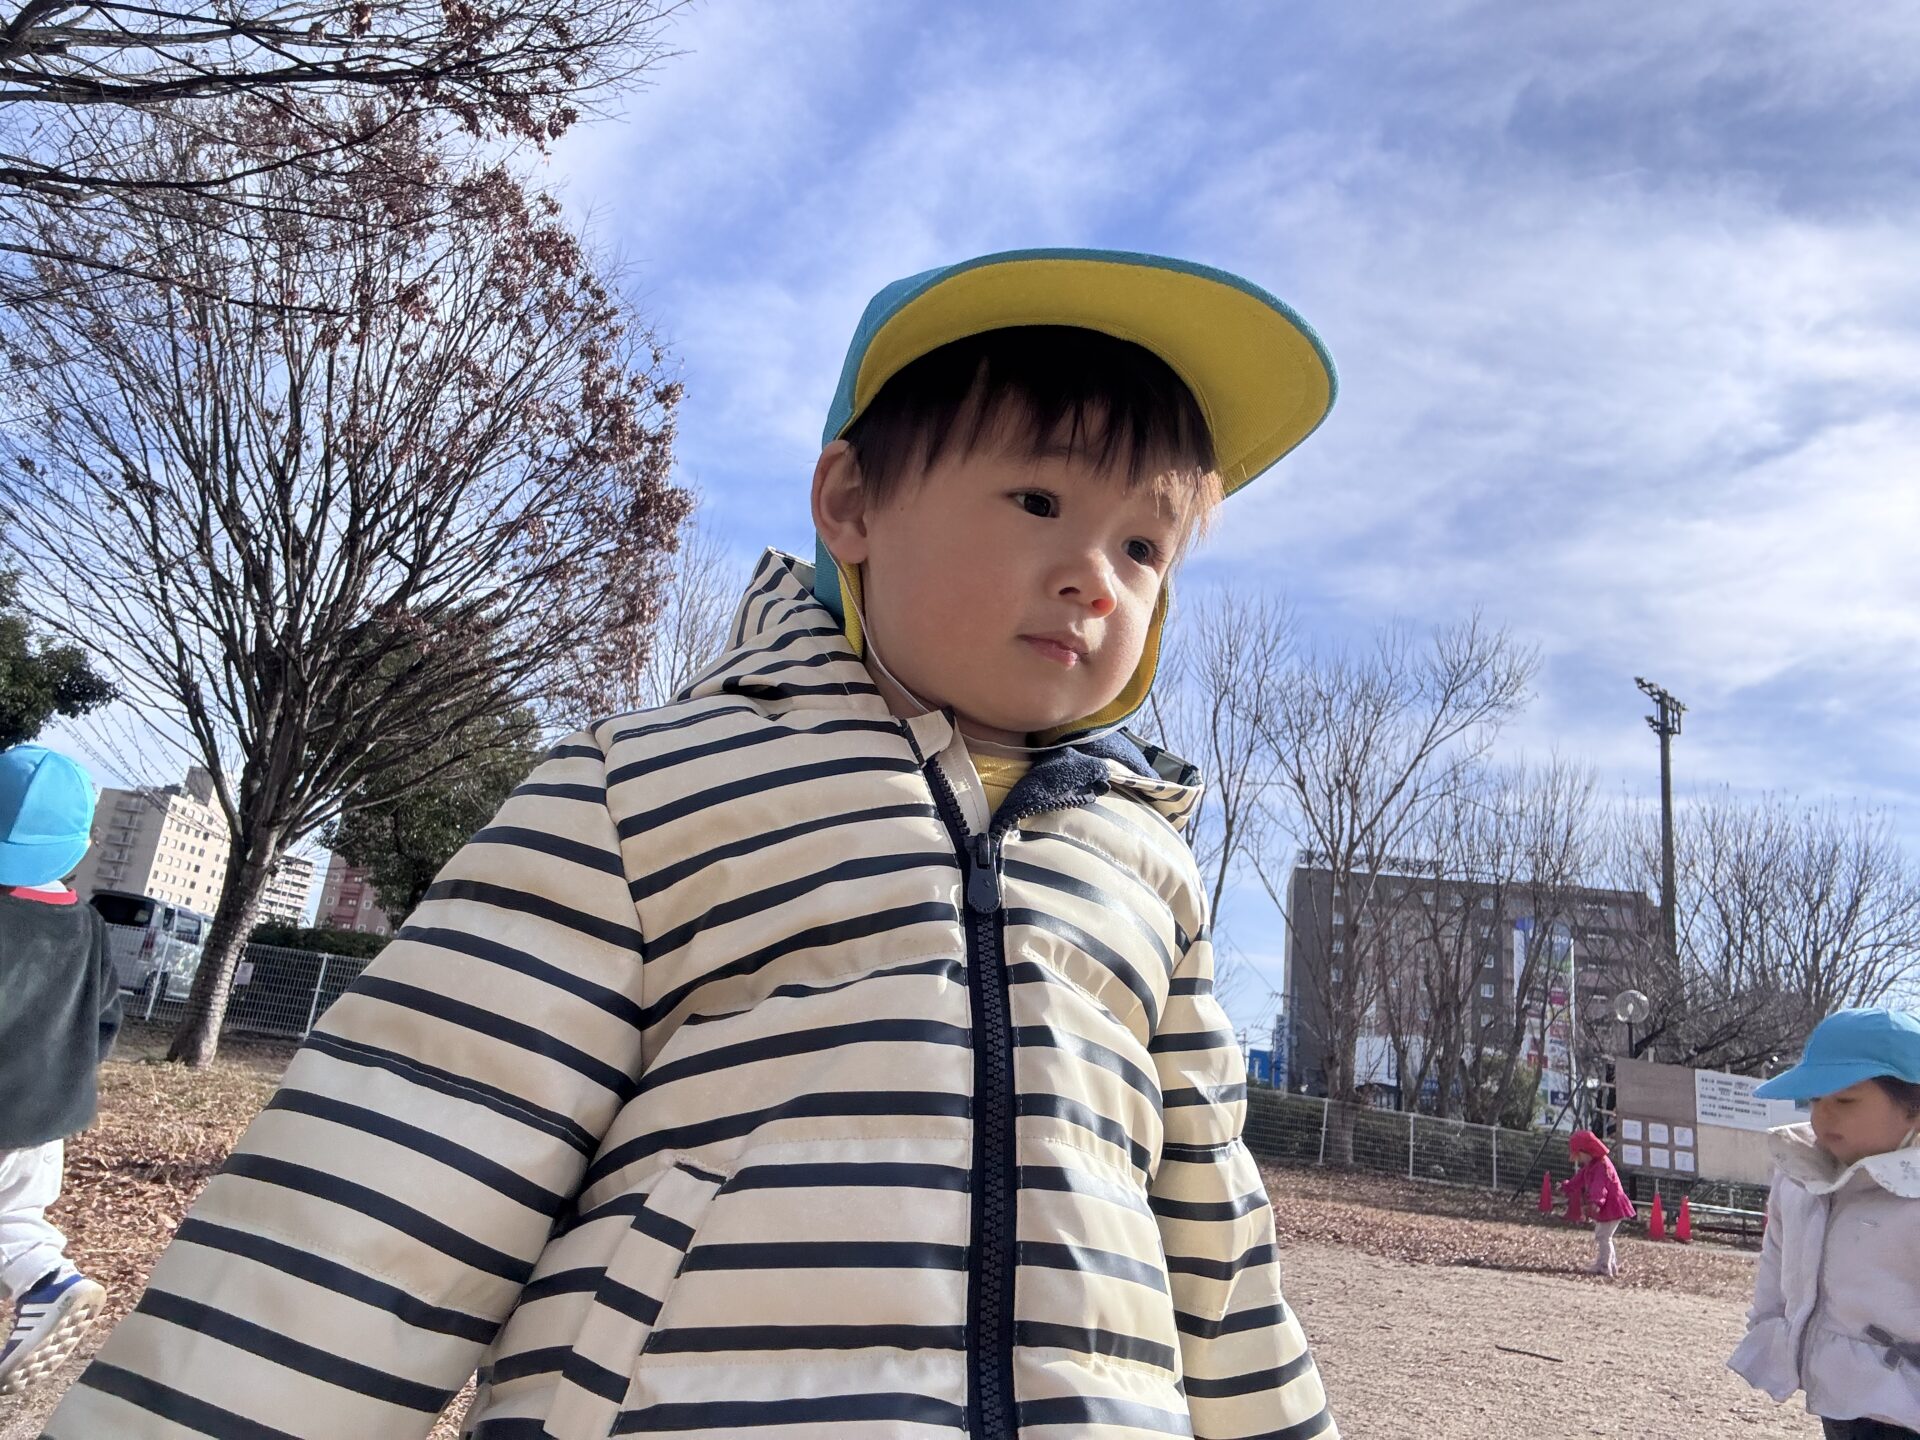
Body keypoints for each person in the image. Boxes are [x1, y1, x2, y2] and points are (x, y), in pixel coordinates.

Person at [46, 248, 1341, 1439]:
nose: (1097, 577)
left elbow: (1215, 1238)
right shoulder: (647, 789)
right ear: (853, 504)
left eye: (1143, 546)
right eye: (1039, 498)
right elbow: (395, 1170)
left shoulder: (1146, 869)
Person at [1729, 1007, 1920, 1439]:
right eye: (1815, 1099)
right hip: (1838, 1389)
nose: (1823, 1117)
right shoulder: (1800, 1176)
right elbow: (1777, 1257)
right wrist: (1768, 1323)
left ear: (1915, 1108)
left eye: (1846, 1100)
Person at [0, 743, 121, 1396]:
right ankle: (51, 1283)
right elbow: (103, 1023)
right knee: (15, 1222)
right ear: (80, 846)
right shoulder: (89, 928)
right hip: (44, 1120)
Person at [1559, 1129, 1635, 1276]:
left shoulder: (1601, 1166)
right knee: (1604, 1235)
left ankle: (1604, 1266)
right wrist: (1566, 1186)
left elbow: (1599, 1187)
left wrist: (1596, 1202)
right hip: (1610, 1206)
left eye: (1579, 1155)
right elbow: (1579, 1179)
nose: (1579, 1159)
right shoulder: (1593, 1164)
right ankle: (1610, 1265)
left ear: (1587, 1151)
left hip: (1611, 1206)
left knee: (1604, 1236)